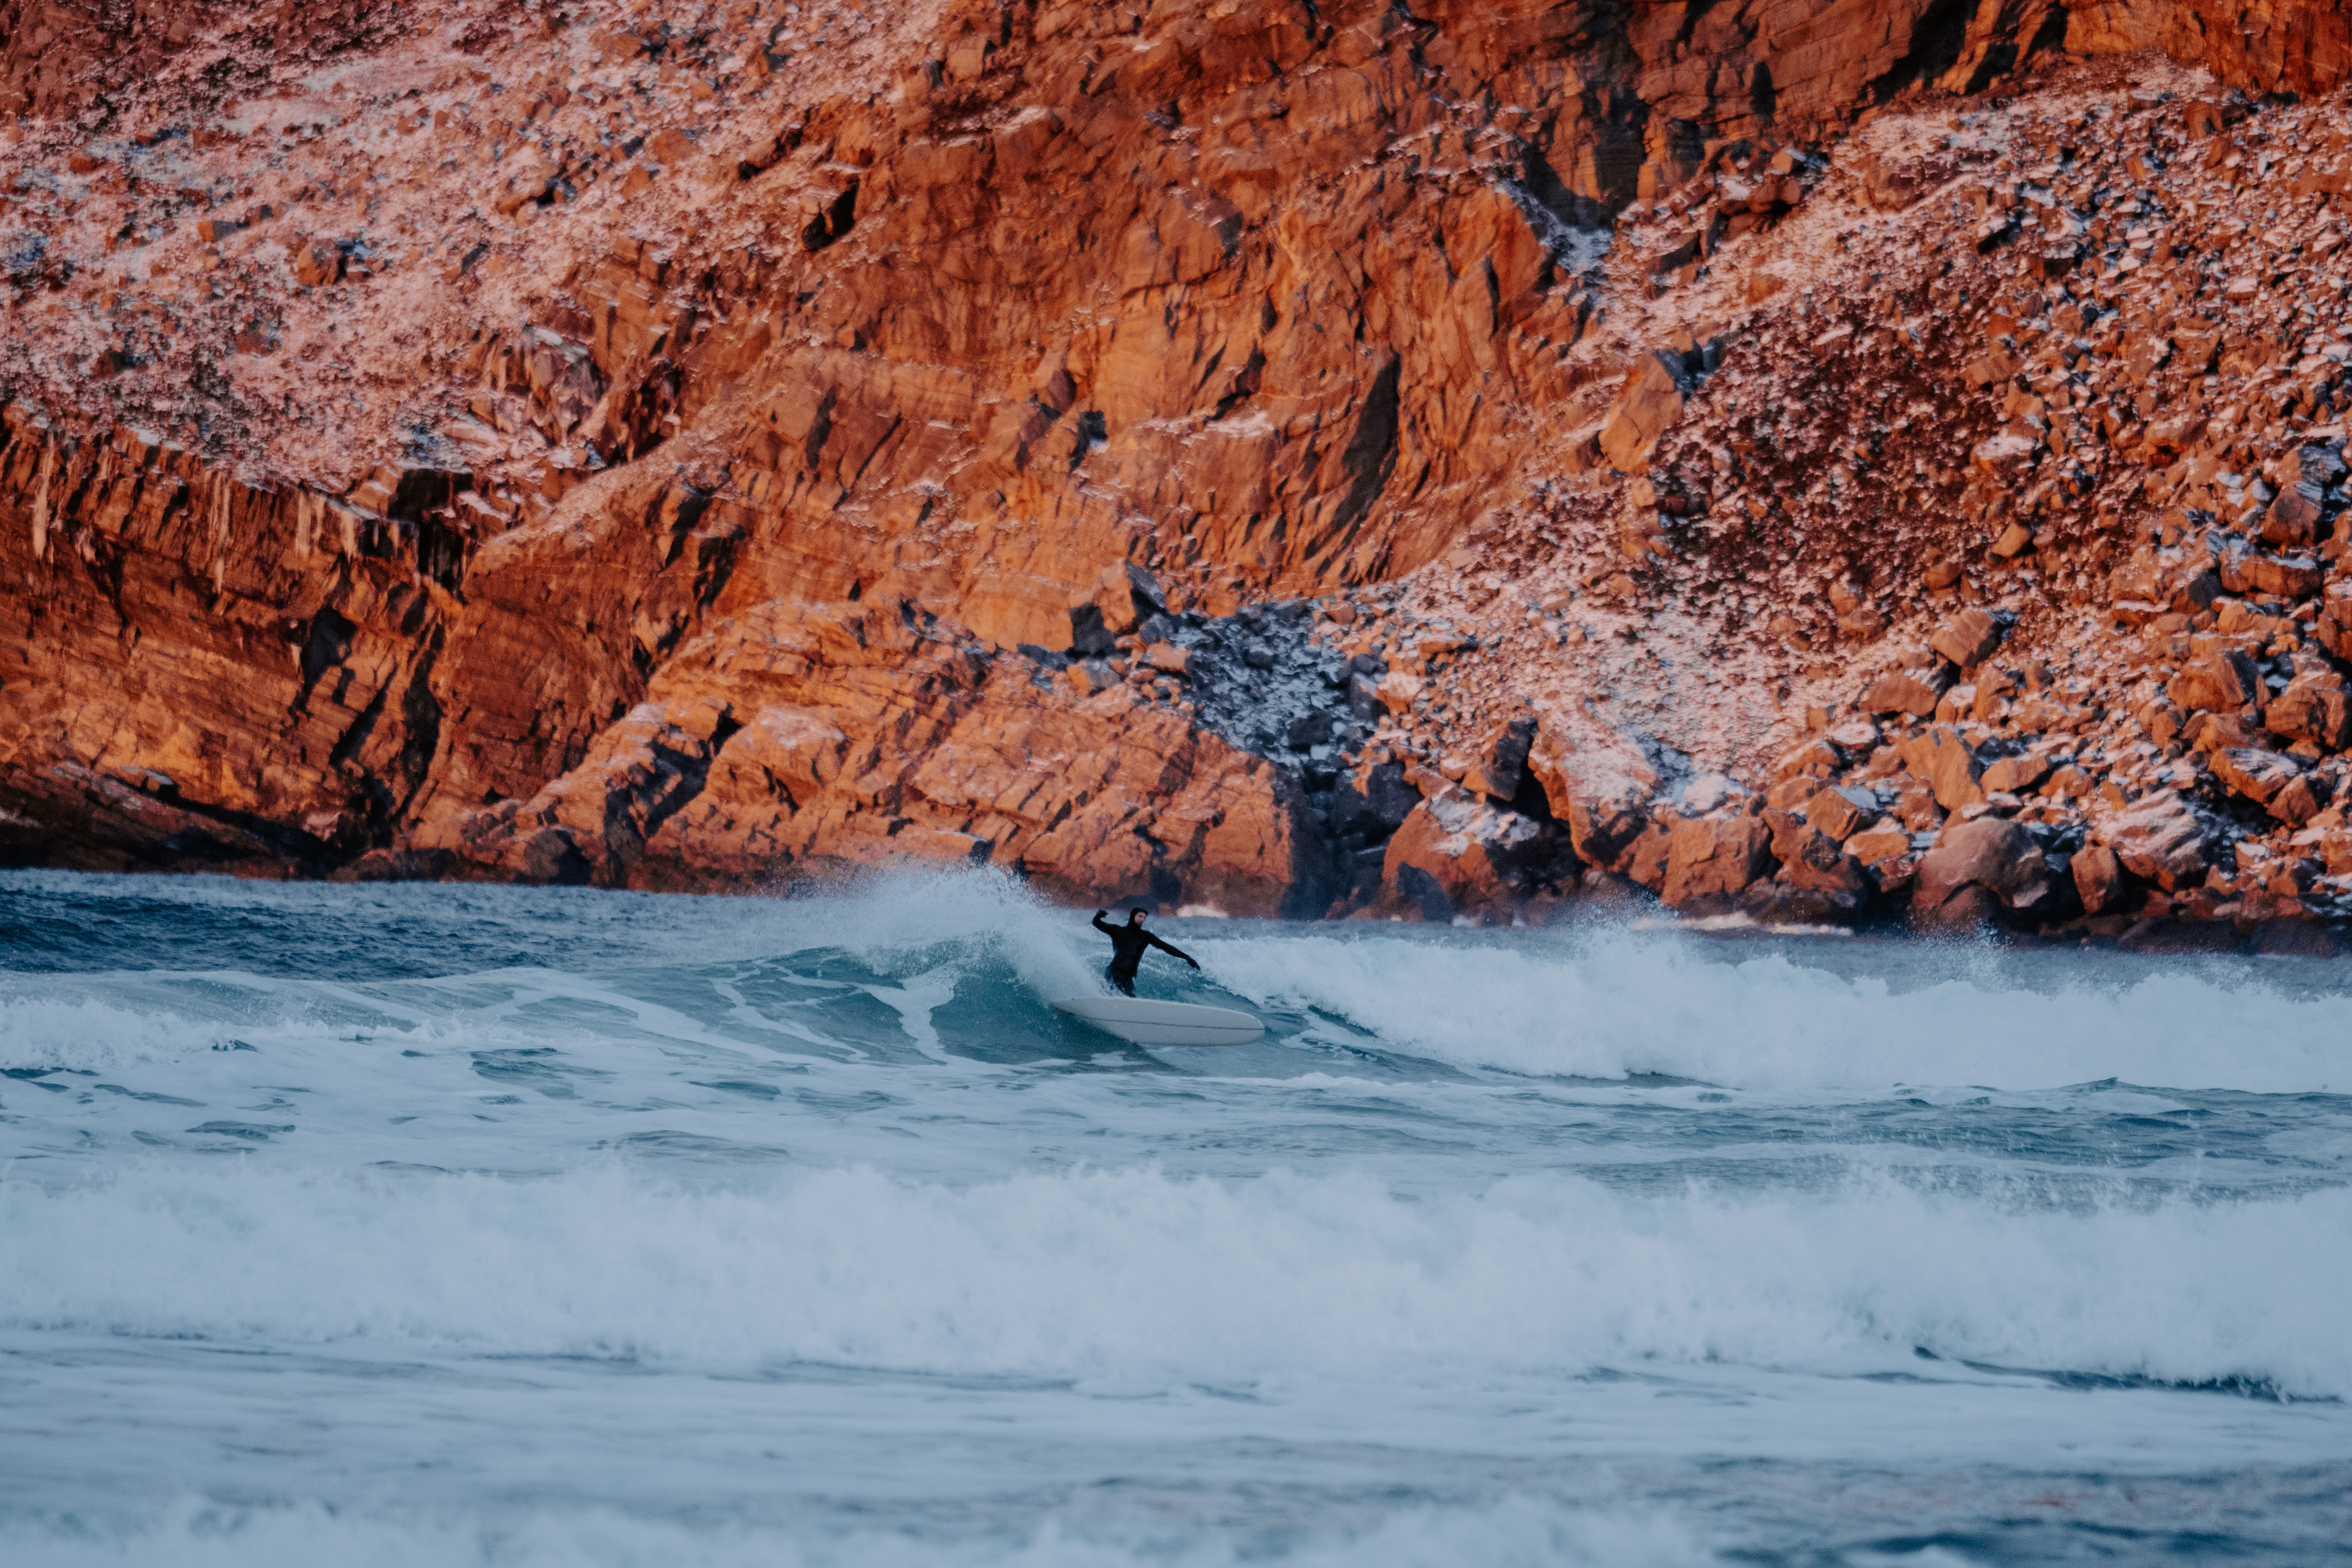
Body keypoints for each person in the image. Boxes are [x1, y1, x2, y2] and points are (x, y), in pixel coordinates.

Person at [1092, 906, 1198, 996]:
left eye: (1144, 918)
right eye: (1140, 916)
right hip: (1114, 971)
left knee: (1130, 999)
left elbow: (1166, 947)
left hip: (1129, 976)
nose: (1142, 920)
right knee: (1109, 995)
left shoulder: (1146, 936)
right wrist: (1099, 915)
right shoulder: (1118, 931)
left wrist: (1186, 957)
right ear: (1133, 916)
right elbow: (1097, 923)